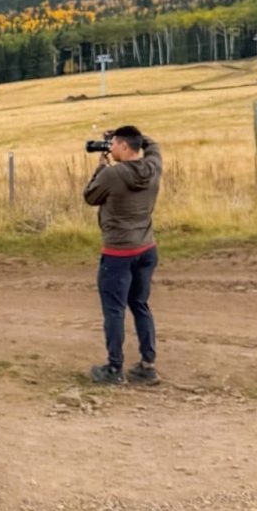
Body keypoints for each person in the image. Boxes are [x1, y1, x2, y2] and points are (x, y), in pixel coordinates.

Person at [82, 125, 163, 385]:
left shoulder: (113, 175)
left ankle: (114, 369)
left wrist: (101, 167)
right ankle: (147, 366)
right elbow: (154, 147)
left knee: (114, 311)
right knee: (140, 305)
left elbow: (90, 196)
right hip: (146, 248)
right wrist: (133, 136)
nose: (110, 147)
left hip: (118, 252)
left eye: (114, 143)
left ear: (124, 147)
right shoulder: (153, 166)